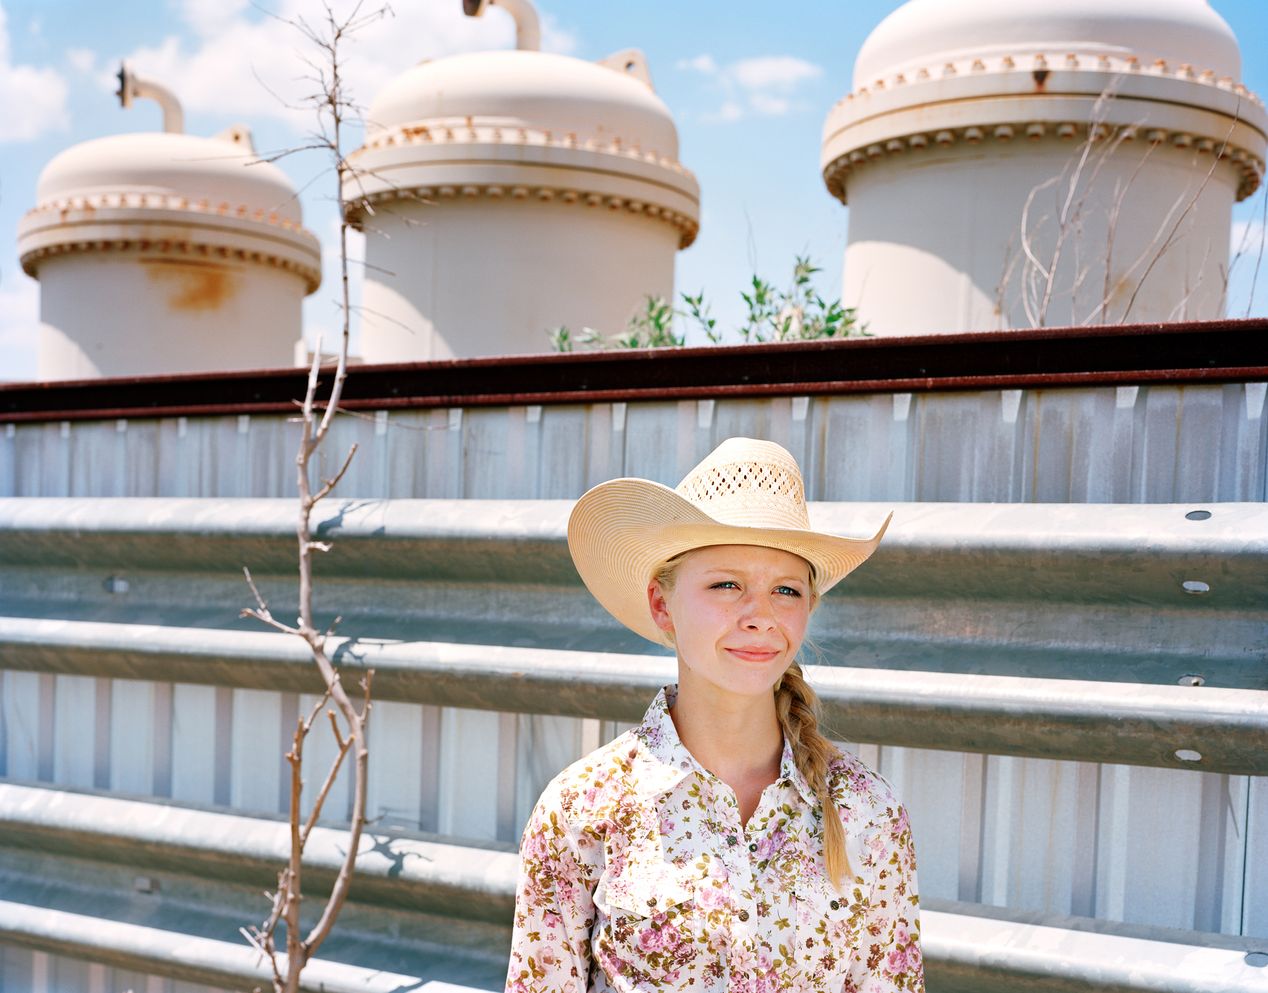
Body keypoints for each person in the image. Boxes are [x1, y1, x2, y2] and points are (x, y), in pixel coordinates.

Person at [505, 437, 923, 993]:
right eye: (727, 584)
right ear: (661, 604)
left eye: (785, 590)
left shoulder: (867, 812)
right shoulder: (583, 808)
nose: (760, 616)